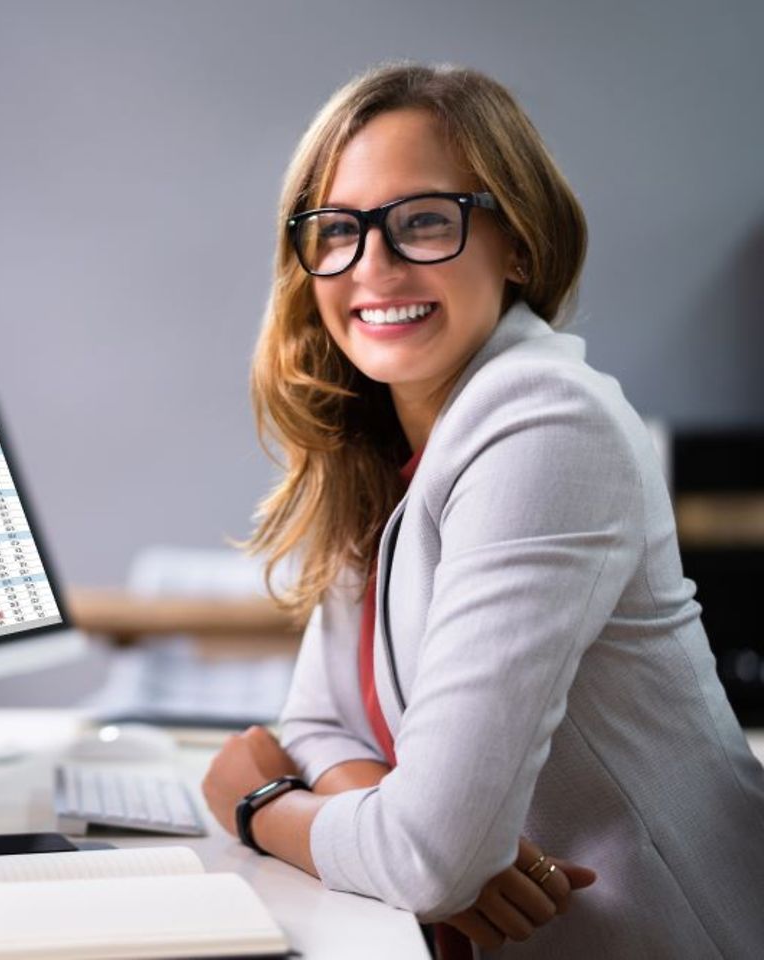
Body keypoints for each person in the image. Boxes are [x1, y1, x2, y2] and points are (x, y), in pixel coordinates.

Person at [200, 61, 764, 958]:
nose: (371, 265)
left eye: (423, 220)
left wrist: (260, 806)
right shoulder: (382, 446)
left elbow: (424, 857)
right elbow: (317, 724)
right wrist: (394, 826)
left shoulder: (546, 423)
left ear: (520, 244)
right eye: (337, 230)